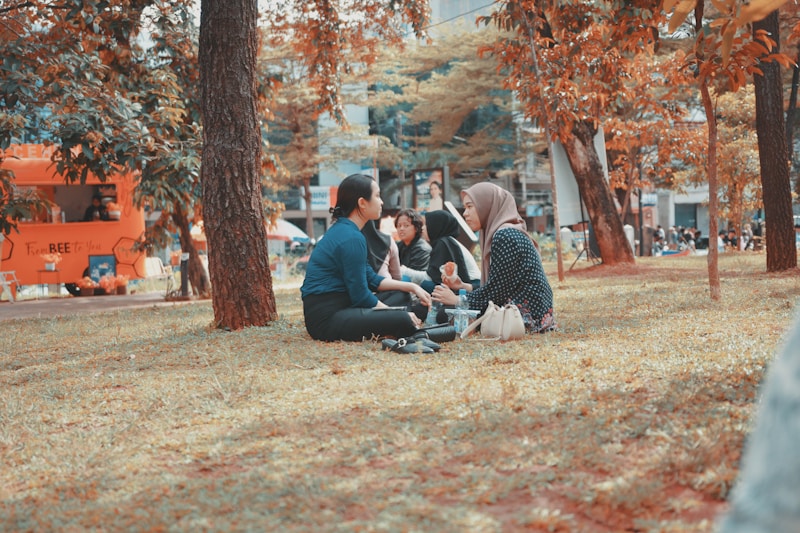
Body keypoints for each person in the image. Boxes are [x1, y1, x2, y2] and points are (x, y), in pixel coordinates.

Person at [301, 174, 431, 342]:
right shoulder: (351, 237)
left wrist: (412, 287)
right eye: (377, 196)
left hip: (344, 306)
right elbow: (360, 296)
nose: (382, 201)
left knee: (400, 294)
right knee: (403, 319)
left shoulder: (349, 231)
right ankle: (404, 319)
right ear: (362, 203)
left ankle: (403, 315)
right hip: (327, 319)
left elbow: (370, 278)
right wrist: (396, 314)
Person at [432, 182, 555, 333]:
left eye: (470, 207)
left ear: (487, 206)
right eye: (465, 208)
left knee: (444, 314)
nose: (465, 213)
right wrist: (465, 287)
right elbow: (501, 283)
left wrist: (458, 300)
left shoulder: (505, 235)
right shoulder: (502, 232)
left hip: (525, 316)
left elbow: (497, 292)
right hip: (529, 310)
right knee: (447, 314)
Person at [394, 208, 431, 274]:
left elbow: (416, 277)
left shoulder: (422, 249)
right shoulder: (398, 245)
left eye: (406, 225)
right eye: (399, 226)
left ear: (416, 228)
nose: (401, 229)